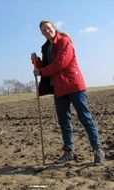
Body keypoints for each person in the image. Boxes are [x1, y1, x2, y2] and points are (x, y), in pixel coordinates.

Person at [31, 20, 104, 166]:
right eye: (43, 31)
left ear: (54, 28)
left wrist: (41, 71)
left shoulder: (64, 41)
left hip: (74, 85)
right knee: (64, 121)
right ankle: (68, 152)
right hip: (59, 87)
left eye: (48, 28)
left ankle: (97, 150)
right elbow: (48, 65)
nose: (46, 32)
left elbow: (60, 63)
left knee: (85, 118)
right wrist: (37, 63)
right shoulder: (47, 47)